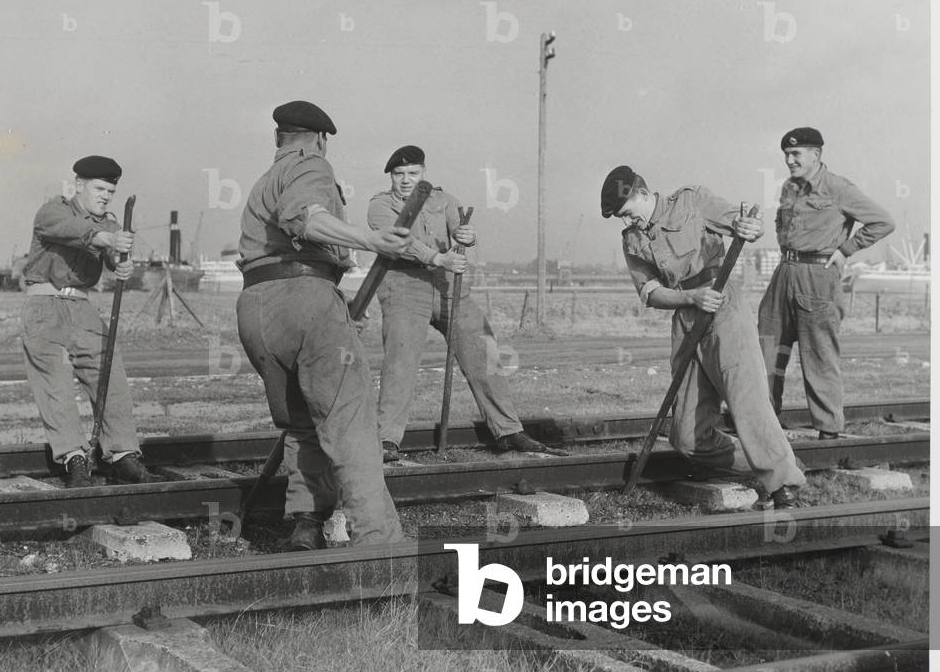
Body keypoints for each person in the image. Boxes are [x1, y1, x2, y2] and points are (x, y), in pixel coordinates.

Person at [236, 101, 412, 551]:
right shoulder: (311, 164)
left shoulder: (264, 179)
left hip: (257, 310)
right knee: (350, 426)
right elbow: (305, 217)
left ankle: (305, 525)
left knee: (302, 425)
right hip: (304, 302)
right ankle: (380, 546)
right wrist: (371, 239)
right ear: (319, 138)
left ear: (279, 137)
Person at [600, 164, 806, 508]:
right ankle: (769, 462)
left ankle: (782, 483)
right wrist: (688, 298)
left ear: (640, 193)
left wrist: (748, 227)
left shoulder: (691, 202)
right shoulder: (632, 240)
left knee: (746, 399)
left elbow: (742, 225)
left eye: (627, 213)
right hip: (686, 316)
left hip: (722, 304)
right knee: (686, 437)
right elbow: (650, 293)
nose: (627, 222)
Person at [368, 145, 566, 463]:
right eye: (399, 174)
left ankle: (508, 430)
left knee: (483, 349)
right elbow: (396, 242)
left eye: (413, 173)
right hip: (405, 288)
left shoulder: (444, 200)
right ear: (391, 176)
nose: (405, 180)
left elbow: (462, 235)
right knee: (401, 362)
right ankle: (387, 441)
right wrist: (437, 256)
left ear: (424, 173)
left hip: (449, 287)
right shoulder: (379, 205)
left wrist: (468, 237)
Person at [21, 155, 160, 488]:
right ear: (78, 185)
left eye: (111, 191)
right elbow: (76, 232)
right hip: (45, 306)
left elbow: (112, 254)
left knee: (110, 374)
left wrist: (120, 263)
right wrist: (109, 241)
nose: (105, 196)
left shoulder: (110, 224)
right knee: (55, 386)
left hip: (83, 307)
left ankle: (123, 455)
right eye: (99, 188)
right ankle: (75, 460)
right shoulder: (52, 211)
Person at [758, 128, 895, 439]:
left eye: (796, 154)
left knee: (818, 354)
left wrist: (845, 250)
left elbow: (883, 221)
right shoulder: (790, 188)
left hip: (818, 276)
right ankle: (764, 423)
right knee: (767, 348)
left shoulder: (838, 188)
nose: (789, 160)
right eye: (786, 155)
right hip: (785, 272)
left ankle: (828, 432)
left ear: (816, 155)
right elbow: (783, 224)